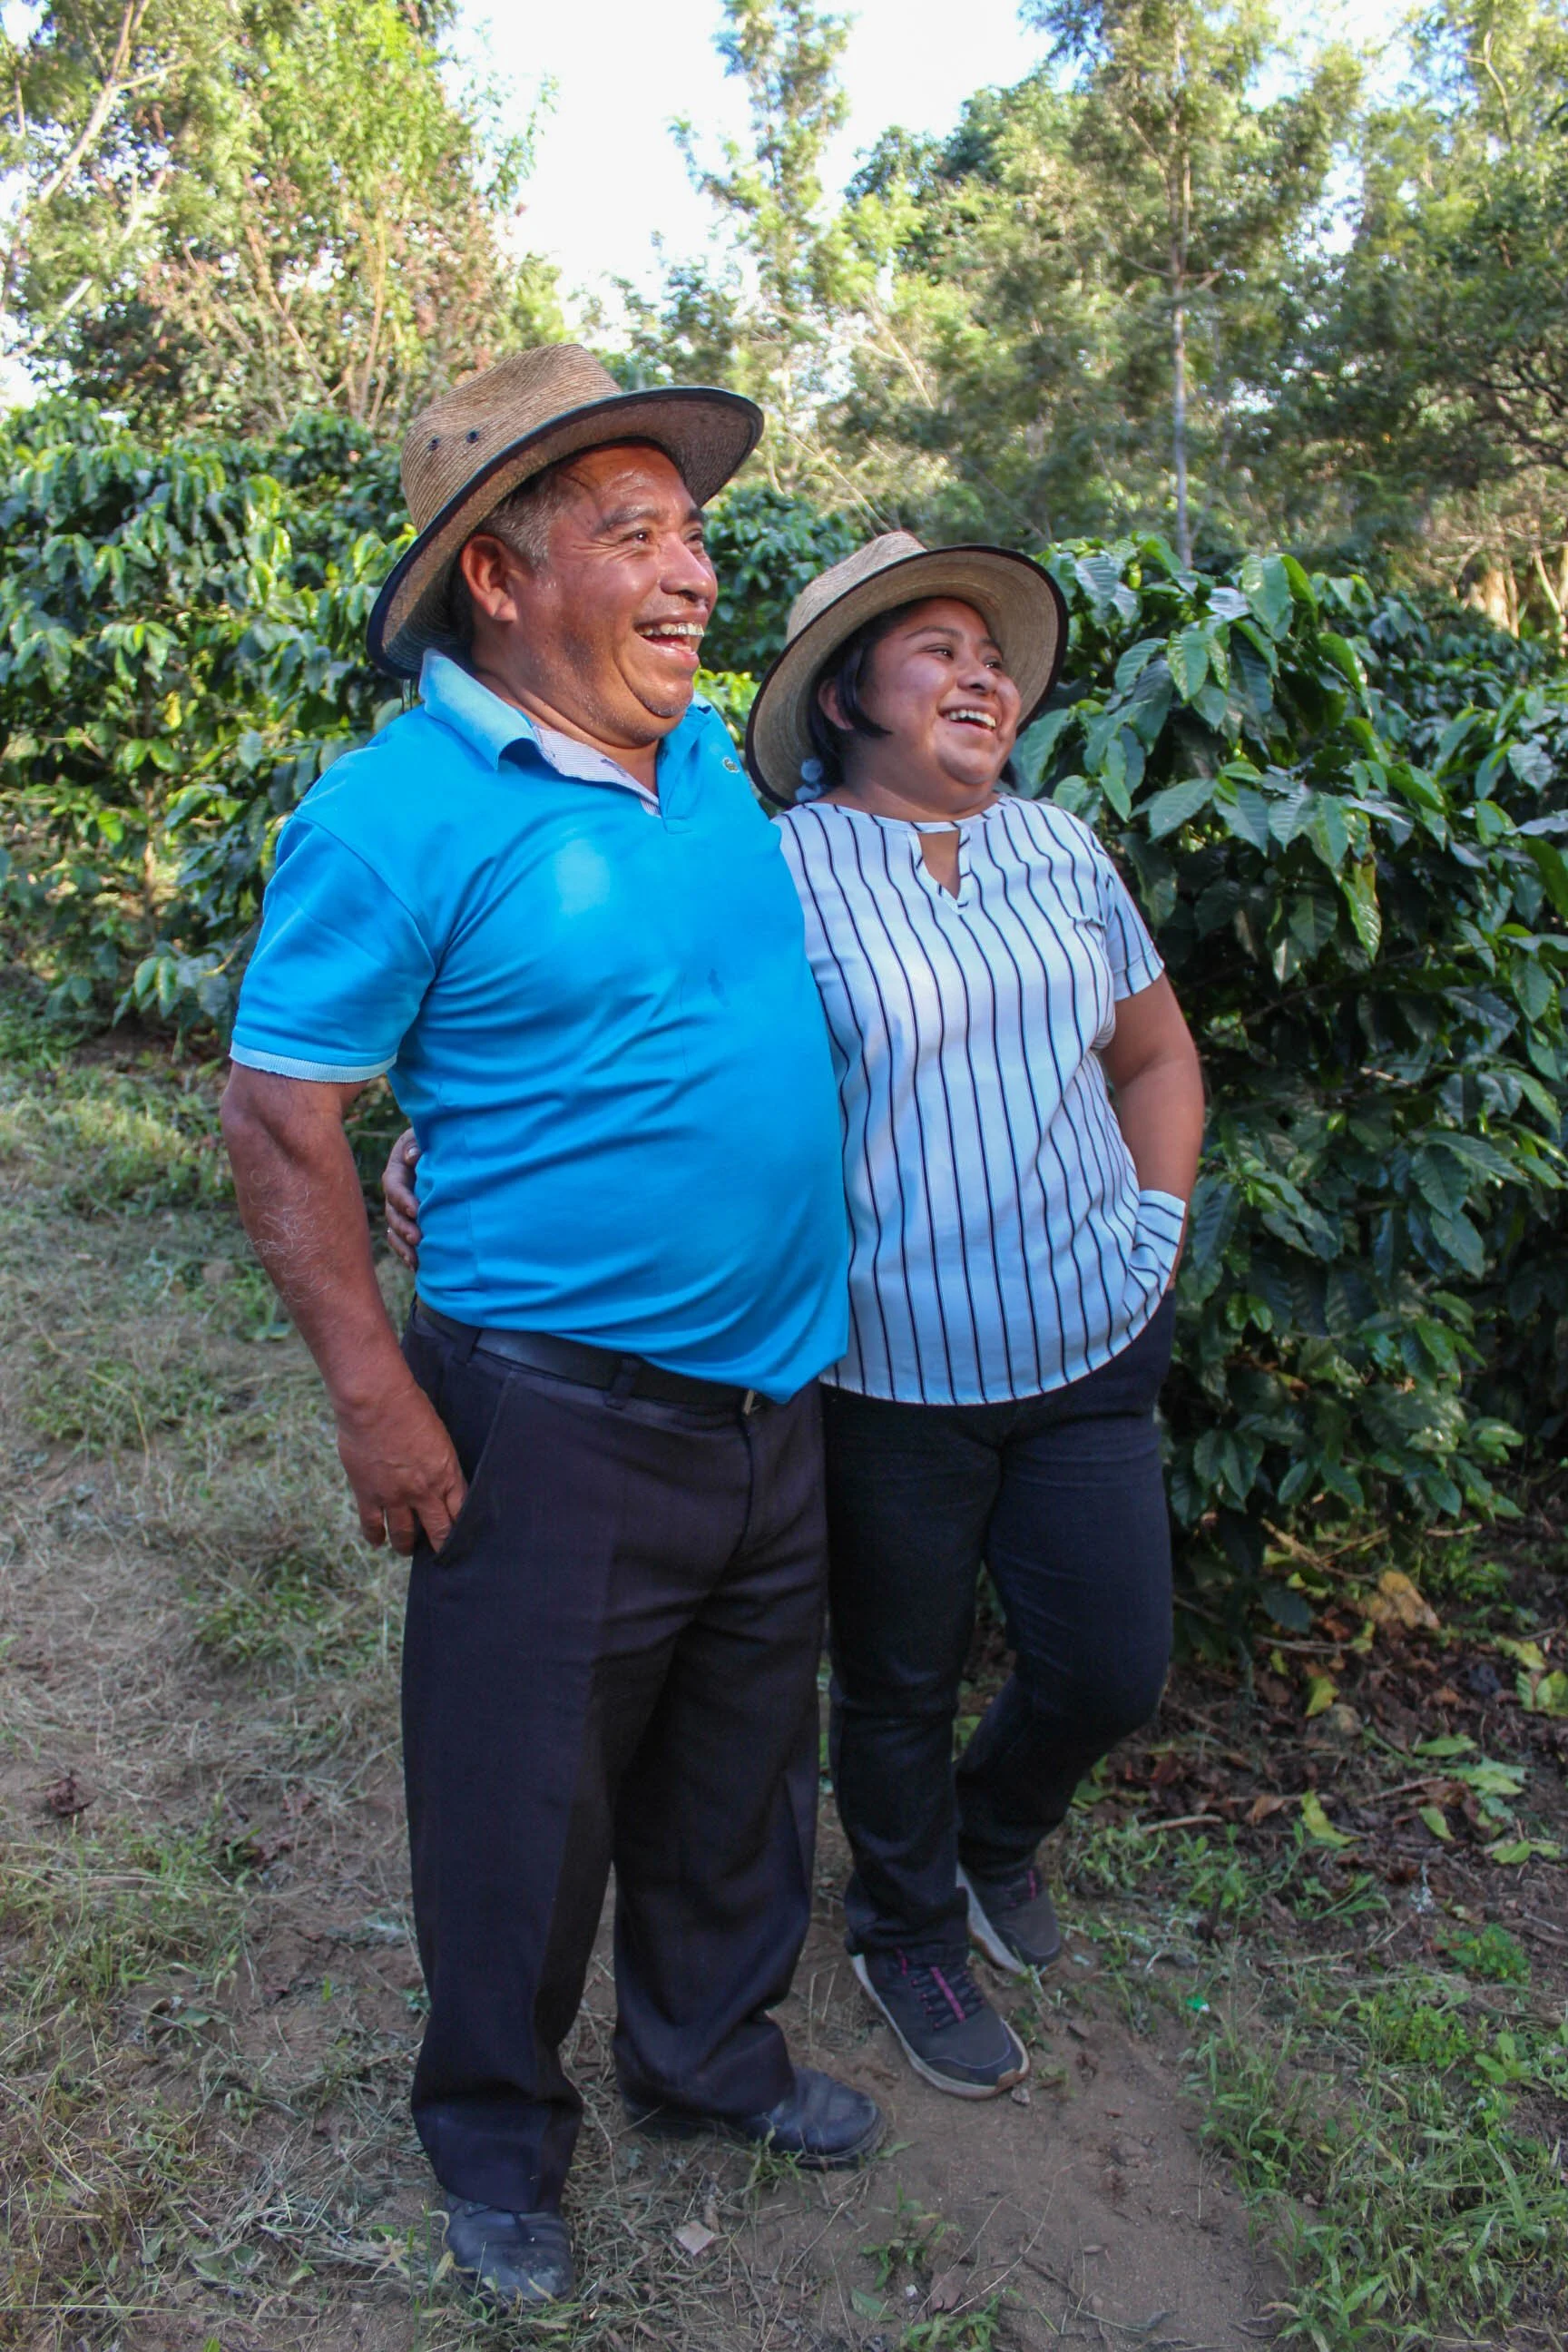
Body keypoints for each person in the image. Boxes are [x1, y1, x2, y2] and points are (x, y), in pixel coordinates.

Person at [220, 345, 882, 2315]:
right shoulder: (398, 807)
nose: (693, 573)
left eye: (692, 529)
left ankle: (704, 2056)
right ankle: (497, 2137)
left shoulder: (704, 763)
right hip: (554, 1418)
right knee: (524, 1804)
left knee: (743, 1771)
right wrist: (371, 1395)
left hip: (776, 1394)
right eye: (634, 532)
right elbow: (281, 1112)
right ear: (500, 579)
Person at [387, 529, 1206, 2105]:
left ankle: (997, 1834)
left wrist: (1156, 1228)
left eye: (995, 656)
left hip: (1093, 1332)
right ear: (844, 699)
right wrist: (449, 1131)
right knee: (893, 1679)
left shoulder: (1065, 850)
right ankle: (908, 1928)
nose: (983, 675)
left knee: (1111, 1661)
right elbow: (626, 1029)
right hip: (889, 1360)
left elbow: (1154, 1056)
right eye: (936, 651)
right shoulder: (771, 862)